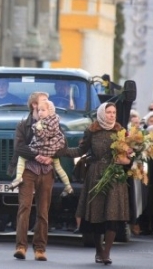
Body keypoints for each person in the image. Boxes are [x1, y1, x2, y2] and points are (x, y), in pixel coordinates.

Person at [56, 102, 129, 265]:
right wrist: (62, 151)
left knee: (112, 215)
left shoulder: (120, 131)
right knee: (96, 215)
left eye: (114, 112)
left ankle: (107, 253)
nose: (112, 115)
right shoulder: (92, 131)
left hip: (114, 175)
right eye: (109, 112)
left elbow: (127, 155)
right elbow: (81, 150)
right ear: (102, 114)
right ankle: (98, 250)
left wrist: (126, 158)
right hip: (95, 174)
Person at [10, 92, 58, 262]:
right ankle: (21, 247)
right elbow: (19, 147)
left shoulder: (54, 122)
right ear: (34, 106)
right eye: (43, 101)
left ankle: (40, 249)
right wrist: (38, 155)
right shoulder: (23, 125)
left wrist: (51, 155)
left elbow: (62, 144)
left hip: (46, 172)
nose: (48, 103)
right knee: (24, 208)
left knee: (43, 211)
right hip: (28, 170)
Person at [10, 100, 73, 196]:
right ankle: (68, 186)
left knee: (21, 158)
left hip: (44, 148)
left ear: (50, 111)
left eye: (43, 110)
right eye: (39, 110)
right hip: (53, 149)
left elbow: (43, 137)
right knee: (59, 167)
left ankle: (18, 178)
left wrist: (37, 128)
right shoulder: (56, 120)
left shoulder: (45, 122)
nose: (40, 113)